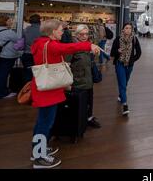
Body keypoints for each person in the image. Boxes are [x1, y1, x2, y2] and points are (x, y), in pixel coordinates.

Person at [30, 19, 100, 169]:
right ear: (53, 31)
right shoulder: (51, 45)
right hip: (49, 91)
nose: (63, 32)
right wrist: (89, 45)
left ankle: (38, 149)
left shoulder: (40, 43)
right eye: (61, 30)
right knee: (45, 123)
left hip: (45, 88)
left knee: (42, 121)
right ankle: (39, 157)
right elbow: (70, 47)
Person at [70, 25, 101, 129]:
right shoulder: (73, 47)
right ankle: (79, 122)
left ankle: (89, 118)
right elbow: (67, 64)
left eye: (86, 34)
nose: (84, 36)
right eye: (82, 34)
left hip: (88, 79)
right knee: (79, 104)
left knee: (89, 101)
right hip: (78, 81)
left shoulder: (89, 46)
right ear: (77, 34)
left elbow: (90, 63)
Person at [110, 22, 142, 116]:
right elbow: (112, 53)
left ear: (132, 30)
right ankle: (125, 105)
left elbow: (139, 52)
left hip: (129, 65)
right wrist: (118, 51)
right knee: (122, 84)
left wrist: (132, 60)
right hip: (119, 64)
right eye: (126, 28)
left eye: (129, 28)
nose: (128, 30)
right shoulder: (117, 39)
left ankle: (121, 95)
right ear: (123, 29)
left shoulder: (134, 39)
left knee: (125, 83)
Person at [0, 16, 22, 99]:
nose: (11, 22)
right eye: (10, 20)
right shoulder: (9, 32)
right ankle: (2, 93)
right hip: (6, 56)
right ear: (5, 22)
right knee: (3, 74)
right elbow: (19, 41)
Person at [21, 14, 41, 84]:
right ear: (39, 20)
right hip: (39, 54)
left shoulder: (25, 30)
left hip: (27, 53)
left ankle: (27, 89)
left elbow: (21, 41)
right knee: (39, 73)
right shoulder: (43, 31)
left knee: (28, 72)